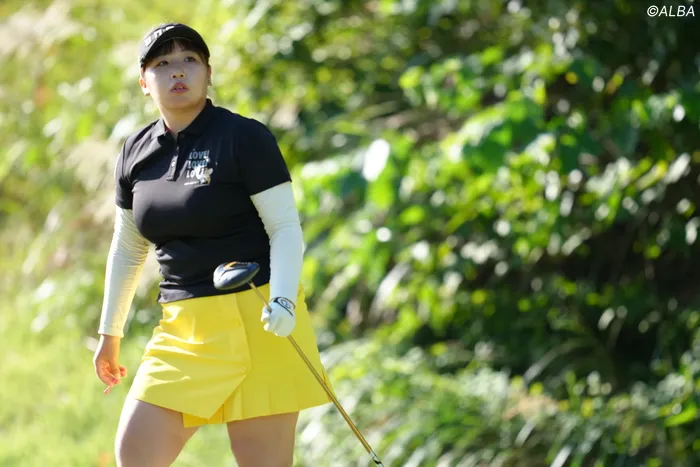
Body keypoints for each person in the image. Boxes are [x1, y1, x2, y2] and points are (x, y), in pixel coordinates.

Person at [92, 22, 332, 467]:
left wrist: (283, 299)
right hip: (184, 327)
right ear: (144, 81)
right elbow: (128, 248)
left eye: (190, 60)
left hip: (261, 317)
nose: (177, 71)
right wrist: (110, 334)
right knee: (136, 453)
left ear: (208, 73)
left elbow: (284, 228)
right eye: (162, 63)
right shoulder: (135, 151)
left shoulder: (246, 137)